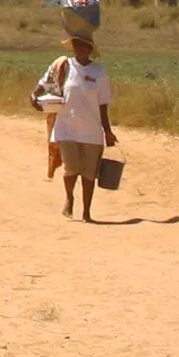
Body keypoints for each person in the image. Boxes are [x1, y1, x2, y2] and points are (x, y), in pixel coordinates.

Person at [47, 25, 115, 222]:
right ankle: (69, 198)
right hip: (66, 128)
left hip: (91, 130)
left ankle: (87, 212)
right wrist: (35, 98)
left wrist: (107, 131)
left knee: (88, 173)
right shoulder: (63, 66)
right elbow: (46, 87)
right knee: (71, 167)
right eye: (76, 45)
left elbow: (103, 105)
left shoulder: (99, 72)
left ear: (90, 49)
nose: (80, 49)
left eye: (84, 46)